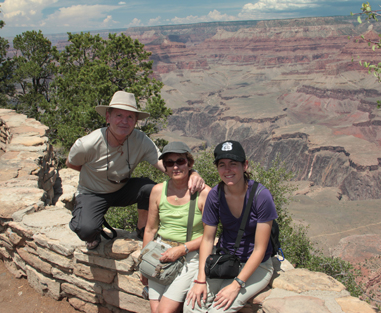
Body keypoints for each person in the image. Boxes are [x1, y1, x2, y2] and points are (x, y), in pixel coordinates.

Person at [66, 91, 204, 249]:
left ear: (135, 121)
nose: (124, 121)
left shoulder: (140, 140)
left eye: (130, 117)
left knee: (150, 189)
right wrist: (96, 180)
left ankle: (142, 228)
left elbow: (166, 165)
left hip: (121, 189)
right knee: (86, 230)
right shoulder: (88, 144)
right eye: (119, 115)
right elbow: (71, 163)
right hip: (92, 192)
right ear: (107, 118)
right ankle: (92, 230)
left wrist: (193, 173)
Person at [184, 140, 277, 313]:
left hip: (257, 265)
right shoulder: (215, 195)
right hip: (225, 260)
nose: (227, 170)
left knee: (218, 310)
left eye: (233, 164)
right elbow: (208, 239)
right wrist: (201, 279)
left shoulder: (261, 196)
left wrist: (236, 285)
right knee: (191, 305)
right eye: (222, 165)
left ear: (245, 166)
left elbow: (259, 249)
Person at [141, 141, 211, 313]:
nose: (175, 167)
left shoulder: (204, 194)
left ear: (189, 163)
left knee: (164, 311)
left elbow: (210, 236)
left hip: (190, 255)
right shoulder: (158, 191)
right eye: (170, 163)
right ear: (164, 167)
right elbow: (150, 229)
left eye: (180, 161)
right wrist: (144, 261)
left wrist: (182, 249)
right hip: (160, 253)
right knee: (155, 309)